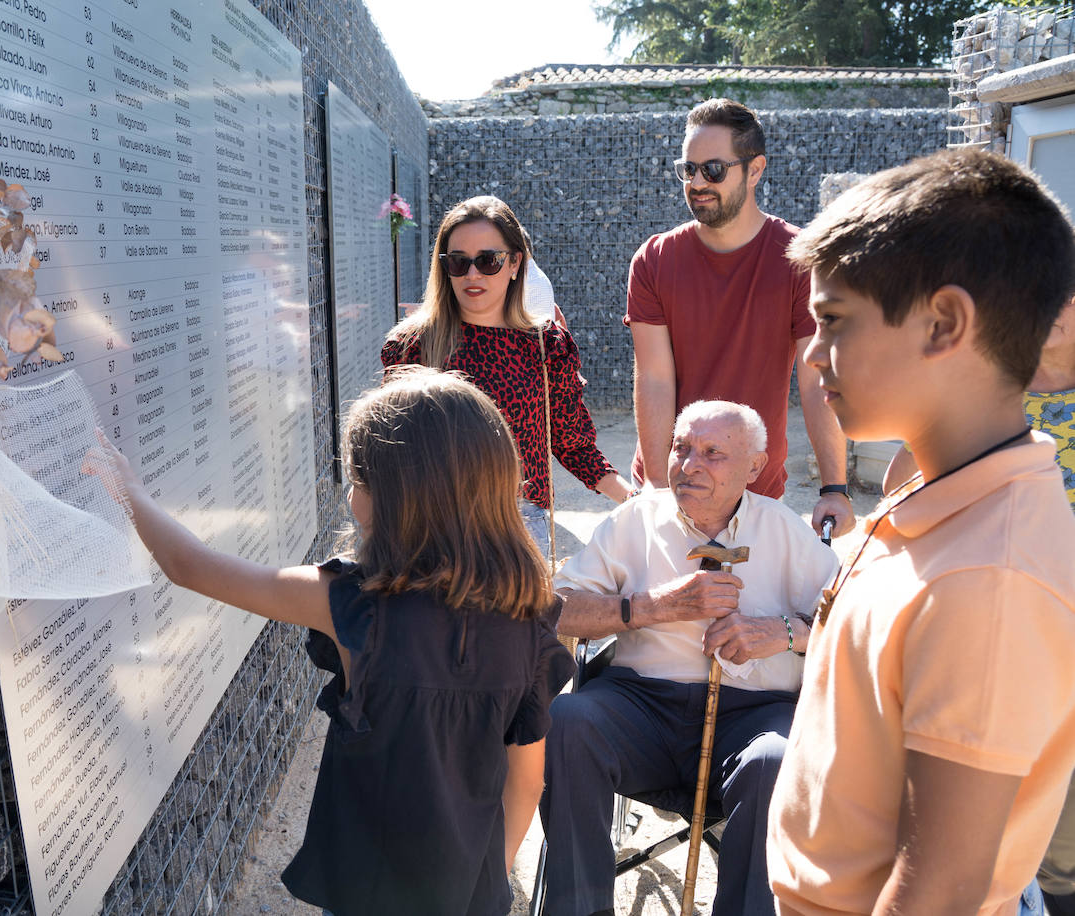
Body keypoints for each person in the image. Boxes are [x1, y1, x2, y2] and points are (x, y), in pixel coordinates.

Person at [84, 367, 574, 916]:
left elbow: (190, 566)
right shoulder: (531, 616)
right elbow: (528, 781)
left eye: (358, 478)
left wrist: (127, 490)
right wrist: (492, 874)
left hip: (368, 891)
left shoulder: (354, 605)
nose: (350, 493)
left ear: (389, 498)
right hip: (471, 892)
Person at [766, 148, 1075, 916]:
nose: (811, 354)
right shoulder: (933, 484)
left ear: (944, 323)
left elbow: (937, 891)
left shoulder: (988, 581)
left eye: (832, 320)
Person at [541, 399, 838, 916]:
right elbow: (557, 611)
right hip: (640, 707)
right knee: (567, 721)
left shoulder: (785, 529)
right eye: (681, 449)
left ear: (754, 467)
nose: (689, 464)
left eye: (712, 453)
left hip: (752, 714)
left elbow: (856, 620)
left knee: (777, 759)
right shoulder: (635, 519)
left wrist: (787, 631)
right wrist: (653, 605)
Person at [880, 293, 1075, 916]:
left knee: (1060, 839)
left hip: (1057, 631)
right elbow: (900, 497)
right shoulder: (979, 383)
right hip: (986, 632)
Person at [625, 98, 854, 536]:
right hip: (671, 486)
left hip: (755, 492)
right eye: (688, 169)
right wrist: (656, 485)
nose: (697, 182)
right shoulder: (654, 260)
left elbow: (816, 378)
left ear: (754, 170)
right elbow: (654, 378)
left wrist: (835, 487)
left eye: (712, 170)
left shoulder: (800, 260)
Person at [383, 196, 631, 553]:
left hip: (520, 527)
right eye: (458, 262)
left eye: (488, 261)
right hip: (432, 527)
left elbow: (572, 442)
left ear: (515, 262)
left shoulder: (547, 345)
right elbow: (390, 449)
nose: (472, 274)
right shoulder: (411, 346)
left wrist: (632, 497)